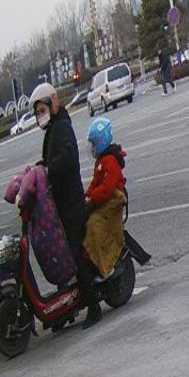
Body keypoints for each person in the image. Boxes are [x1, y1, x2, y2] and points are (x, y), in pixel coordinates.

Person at [29, 82, 102, 329]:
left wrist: (49, 169)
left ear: (53, 103)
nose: (40, 115)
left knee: (73, 254)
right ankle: (65, 310)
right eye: (37, 112)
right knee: (59, 253)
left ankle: (93, 306)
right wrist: (39, 168)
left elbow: (68, 156)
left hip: (71, 204)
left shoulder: (62, 127)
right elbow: (51, 158)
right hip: (59, 204)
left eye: (42, 110)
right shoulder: (52, 129)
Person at [84, 117, 127, 280]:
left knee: (94, 225)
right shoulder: (101, 161)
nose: (92, 148)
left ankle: (105, 267)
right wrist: (86, 196)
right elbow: (95, 182)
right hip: (104, 199)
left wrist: (92, 199)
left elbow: (107, 188)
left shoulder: (110, 160)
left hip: (113, 199)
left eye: (94, 143)